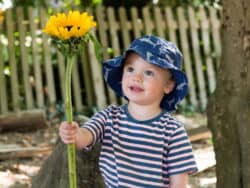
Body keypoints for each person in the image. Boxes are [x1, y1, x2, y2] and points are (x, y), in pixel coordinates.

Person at [59, 35, 198, 188]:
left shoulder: (172, 131)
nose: (136, 77)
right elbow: (84, 138)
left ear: (168, 86)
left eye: (149, 73)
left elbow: (178, 183)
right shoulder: (109, 117)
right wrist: (73, 134)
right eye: (130, 69)